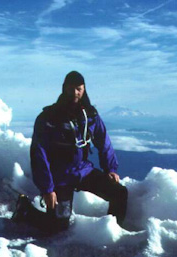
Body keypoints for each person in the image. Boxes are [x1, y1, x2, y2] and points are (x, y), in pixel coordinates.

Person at [13, 71, 128, 233]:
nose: (75, 93)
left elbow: (103, 141)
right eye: (71, 89)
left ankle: (114, 233)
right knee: (58, 227)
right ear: (64, 89)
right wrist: (47, 189)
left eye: (79, 89)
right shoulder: (48, 118)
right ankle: (25, 210)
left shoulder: (90, 115)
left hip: (83, 170)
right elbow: (39, 154)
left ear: (84, 89)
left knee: (120, 193)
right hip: (60, 176)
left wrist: (110, 168)